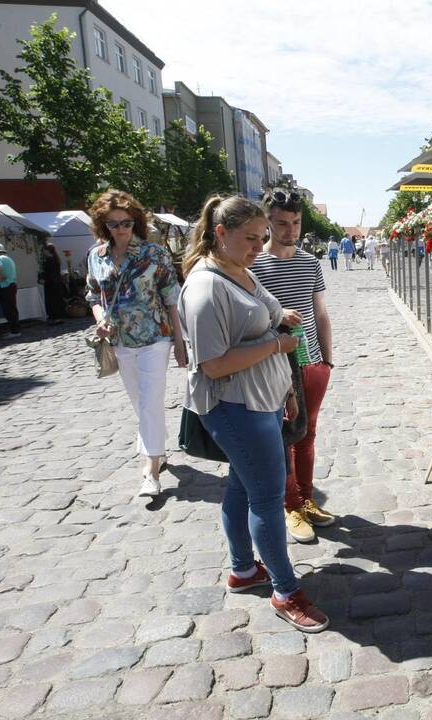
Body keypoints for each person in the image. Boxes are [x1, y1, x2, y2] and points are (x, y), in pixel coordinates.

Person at [178, 194, 329, 634]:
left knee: (243, 488)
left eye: (264, 237)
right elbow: (214, 363)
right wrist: (277, 346)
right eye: (251, 238)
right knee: (265, 496)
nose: (260, 247)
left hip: (260, 400)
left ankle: (243, 570)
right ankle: (286, 591)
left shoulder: (239, 270)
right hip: (234, 406)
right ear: (220, 233)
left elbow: (271, 311)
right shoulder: (206, 285)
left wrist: (286, 373)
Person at [86, 190, 186, 497]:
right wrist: (100, 317)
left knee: (150, 400)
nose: (121, 229)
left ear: (136, 222)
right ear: (104, 225)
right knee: (139, 402)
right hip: (120, 341)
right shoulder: (96, 256)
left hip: (155, 337)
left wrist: (180, 343)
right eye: (114, 224)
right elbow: (93, 295)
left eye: (127, 222)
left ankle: (151, 470)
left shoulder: (154, 255)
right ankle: (159, 449)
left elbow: (172, 299)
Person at [252, 188, 338, 543]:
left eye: (296, 222)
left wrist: (327, 360)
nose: (290, 230)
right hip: (274, 367)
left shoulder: (309, 262)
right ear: (268, 222)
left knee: (308, 433)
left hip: (312, 363)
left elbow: (320, 314)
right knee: (283, 437)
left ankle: (306, 498)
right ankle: (290, 505)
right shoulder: (254, 265)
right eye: (282, 223)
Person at [0, 243, 21, 338]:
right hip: (11, 285)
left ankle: (15, 331)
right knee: (12, 309)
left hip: (5, 287)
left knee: (8, 310)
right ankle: (15, 330)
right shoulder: (9, 259)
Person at [42, 242, 67, 325]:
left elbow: (49, 273)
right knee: (57, 300)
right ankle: (59, 317)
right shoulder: (56, 258)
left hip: (51, 283)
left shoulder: (49, 259)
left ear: (47, 250)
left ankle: (55, 318)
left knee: (52, 301)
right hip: (57, 282)